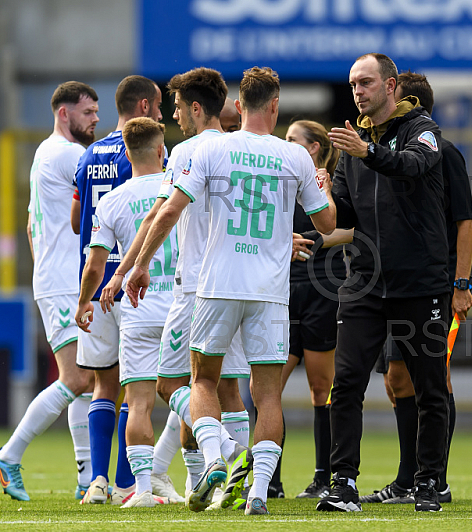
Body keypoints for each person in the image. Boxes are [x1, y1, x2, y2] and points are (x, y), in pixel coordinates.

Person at [126, 66, 336, 516]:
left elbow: (167, 213)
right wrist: (325, 188)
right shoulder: (296, 157)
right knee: (266, 395)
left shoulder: (212, 149)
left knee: (199, 379)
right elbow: (327, 225)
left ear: (237, 106)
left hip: (215, 285)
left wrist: (141, 264)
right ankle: (258, 492)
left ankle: (216, 457)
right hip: (271, 294)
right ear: (276, 106)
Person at [100, 72, 252, 509]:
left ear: (197, 109)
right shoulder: (244, 148)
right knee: (226, 387)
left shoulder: (188, 151)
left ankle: (222, 450)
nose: (175, 117)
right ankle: (233, 485)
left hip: (197, 287)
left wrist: (137, 266)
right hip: (243, 284)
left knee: (172, 384)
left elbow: (163, 214)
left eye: (180, 108)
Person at [316, 53, 450, 513]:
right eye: (353, 84)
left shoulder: (423, 129)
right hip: (365, 282)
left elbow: (411, 166)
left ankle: (429, 481)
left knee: (430, 386)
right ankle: (343, 482)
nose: (358, 91)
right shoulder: (351, 144)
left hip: (420, 281)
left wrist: (367, 152)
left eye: (366, 82)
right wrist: (320, 195)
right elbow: (342, 214)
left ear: (391, 85)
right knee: (347, 382)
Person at [362, 71, 472, 506]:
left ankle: (434, 478)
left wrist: (460, 284)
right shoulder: (390, 152)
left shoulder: (444, 153)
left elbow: (465, 223)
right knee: (395, 379)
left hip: (436, 283)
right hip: (398, 283)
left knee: (434, 380)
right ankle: (408, 477)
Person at [71, 75, 182, 505]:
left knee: (105, 383)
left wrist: (85, 291)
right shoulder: (158, 156)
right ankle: (129, 481)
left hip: (99, 281)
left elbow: (77, 217)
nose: (160, 114)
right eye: (157, 107)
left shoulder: (89, 155)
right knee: (154, 386)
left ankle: (96, 480)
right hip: (144, 279)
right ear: (142, 108)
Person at [0, 81, 99, 501]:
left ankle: (87, 478)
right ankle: (9, 456)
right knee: (78, 377)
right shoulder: (68, 154)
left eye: (96, 111)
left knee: (88, 378)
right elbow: (107, 189)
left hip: (60, 278)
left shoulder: (43, 154)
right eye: (88, 112)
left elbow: (33, 223)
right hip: (65, 283)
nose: (95, 119)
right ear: (64, 113)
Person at [273, 119, 345, 499]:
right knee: (269, 387)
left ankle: (323, 477)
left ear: (314, 147)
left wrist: (316, 238)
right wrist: (285, 239)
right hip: (283, 291)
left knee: (322, 388)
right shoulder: (279, 181)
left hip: (323, 290)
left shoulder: (331, 180)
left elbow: (353, 230)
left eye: (292, 140)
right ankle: (270, 478)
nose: (285, 145)